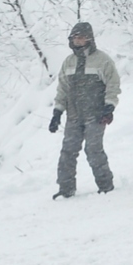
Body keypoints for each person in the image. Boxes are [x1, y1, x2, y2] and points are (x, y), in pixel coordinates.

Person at [49, 21, 121, 198]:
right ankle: (66, 189)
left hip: (96, 115)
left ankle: (106, 186)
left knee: (93, 150)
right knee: (67, 151)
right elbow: (63, 89)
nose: (78, 41)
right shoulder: (69, 62)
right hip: (74, 116)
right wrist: (57, 112)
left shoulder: (102, 60)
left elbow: (113, 84)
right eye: (75, 37)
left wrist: (109, 106)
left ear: (89, 38)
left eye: (81, 37)